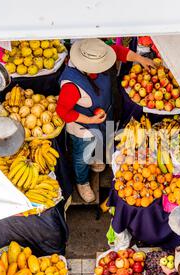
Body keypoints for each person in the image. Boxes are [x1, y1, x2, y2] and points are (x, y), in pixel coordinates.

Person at [56, 38, 154, 202]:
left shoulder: (97, 55)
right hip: (82, 127)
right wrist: (90, 119)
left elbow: (118, 52)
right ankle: (82, 182)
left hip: (102, 115)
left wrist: (141, 59)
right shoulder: (71, 86)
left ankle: (97, 160)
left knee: (102, 139)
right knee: (82, 156)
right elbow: (63, 112)